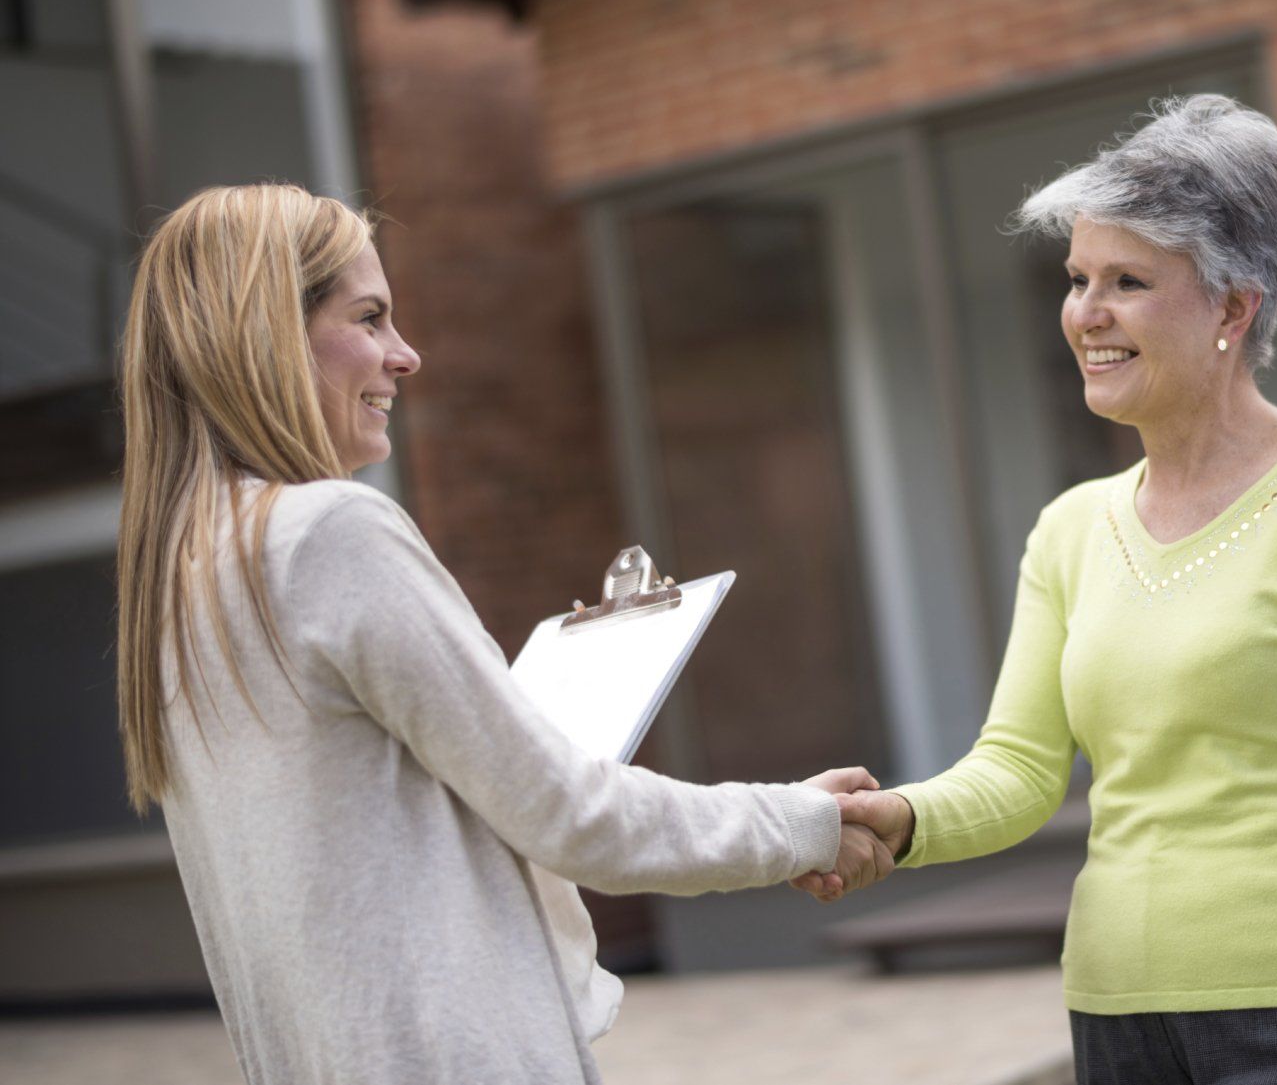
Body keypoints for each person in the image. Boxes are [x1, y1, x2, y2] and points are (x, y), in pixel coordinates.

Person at [115, 183, 890, 1085]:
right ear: (264, 337)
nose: (405, 355)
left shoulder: (183, 578)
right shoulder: (331, 533)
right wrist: (798, 823)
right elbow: (571, 814)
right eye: (369, 318)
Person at [803, 97, 1277, 1085]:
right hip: (1116, 1010)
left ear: (1234, 308)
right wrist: (893, 822)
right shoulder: (1073, 528)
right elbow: (1019, 772)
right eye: (1077, 280)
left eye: (1128, 282)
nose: (1086, 313)